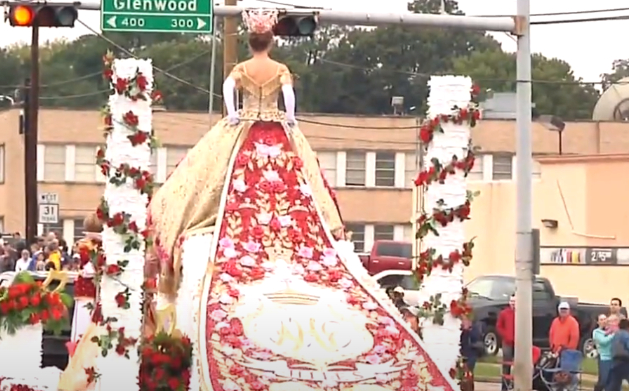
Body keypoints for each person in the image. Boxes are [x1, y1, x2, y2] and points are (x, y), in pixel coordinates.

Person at [139, 8, 450, 390]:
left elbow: (226, 93)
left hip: (241, 132)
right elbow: (288, 98)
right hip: (276, 132)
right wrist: (289, 118)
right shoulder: (281, 70)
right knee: (300, 183)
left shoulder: (240, 70)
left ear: (251, 41)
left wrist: (235, 115)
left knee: (216, 182)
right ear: (270, 40)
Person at [607, 318, 629, 391]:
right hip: (626, 362)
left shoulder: (615, 335)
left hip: (615, 362)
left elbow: (612, 348)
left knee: (614, 384)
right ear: (628, 327)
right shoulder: (626, 335)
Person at [592, 314, 613, 391]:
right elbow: (604, 342)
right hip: (603, 357)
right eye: (601, 319)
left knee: (611, 380)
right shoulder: (596, 332)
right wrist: (612, 335)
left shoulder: (609, 330)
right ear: (598, 322)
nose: (604, 321)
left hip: (612, 357)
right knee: (603, 379)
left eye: (605, 319)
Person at [496, 295, 516, 374]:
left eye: (515, 301)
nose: (513, 303)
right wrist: (506, 336)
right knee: (506, 363)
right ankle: (505, 383)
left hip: (518, 343)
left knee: (519, 364)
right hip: (507, 342)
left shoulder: (522, 314)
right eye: (511, 301)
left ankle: (517, 382)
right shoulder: (504, 313)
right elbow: (499, 326)